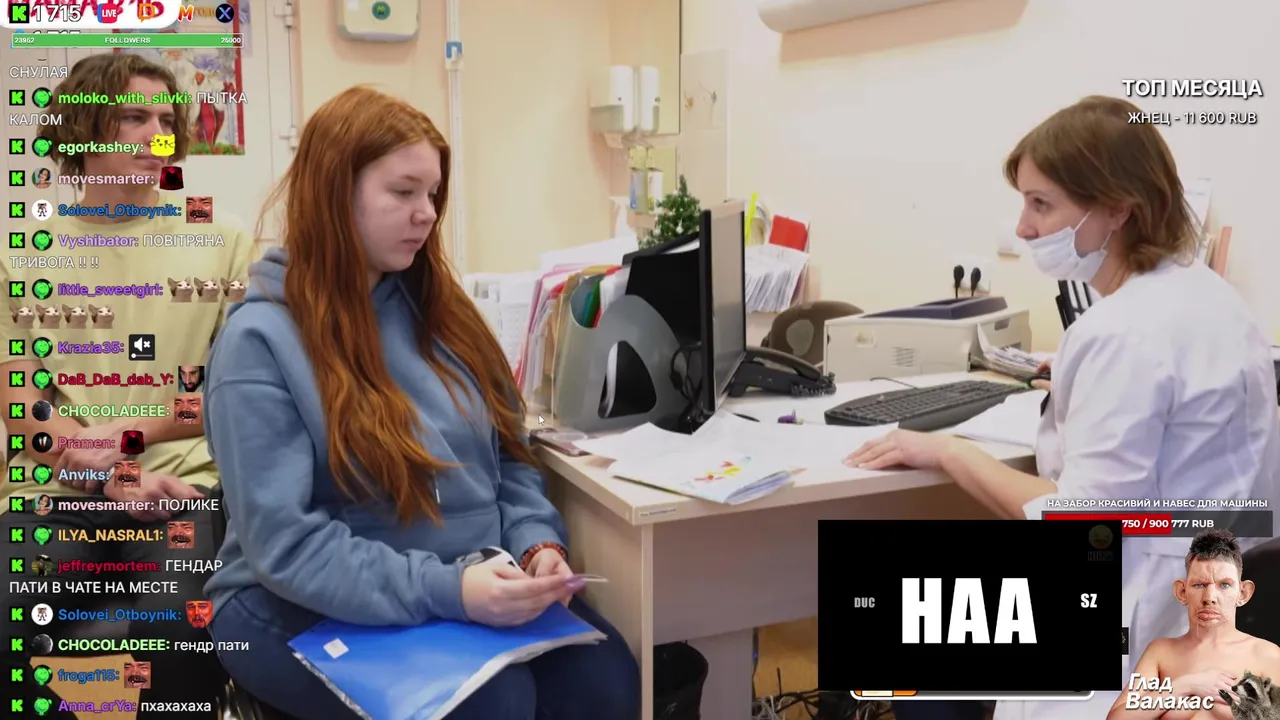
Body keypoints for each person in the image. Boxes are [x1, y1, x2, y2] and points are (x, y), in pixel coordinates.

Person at [202, 86, 641, 720]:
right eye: (404, 192)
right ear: (333, 193)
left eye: (433, 194)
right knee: (494, 706)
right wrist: (452, 589)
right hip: (289, 598)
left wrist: (534, 544)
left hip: (460, 580)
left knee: (607, 680)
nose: (427, 214)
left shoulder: (442, 312)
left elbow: (509, 457)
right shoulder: (259, 341)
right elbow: (286, 545)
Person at [845, 95, 1280, 720]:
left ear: (1118, 209)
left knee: (887, 608)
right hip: (1219, 612)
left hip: (1136, 631)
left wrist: (949, 452)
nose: (1024, 227)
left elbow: (1080, 524)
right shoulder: (1212, 299)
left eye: (1041, 204)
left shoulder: (1122, 331)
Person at [0, 53, 256, 718]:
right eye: (135, 117)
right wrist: (99, 469)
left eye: (167, 122)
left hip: (182, 488)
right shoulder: (24, 254)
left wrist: (127, 436)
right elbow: (20, 403)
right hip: (58, 490)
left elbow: (235, 391)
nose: (158, 136)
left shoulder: (220, 239)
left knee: (174, 634)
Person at [1107, 530, 1280, 720]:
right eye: (1199, 585)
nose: (1210, 598)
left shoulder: (1266, 655)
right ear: (1182, 592)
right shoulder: (1161, 652)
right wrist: (1187, 685)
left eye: (1224, 585)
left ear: (1243, 593)